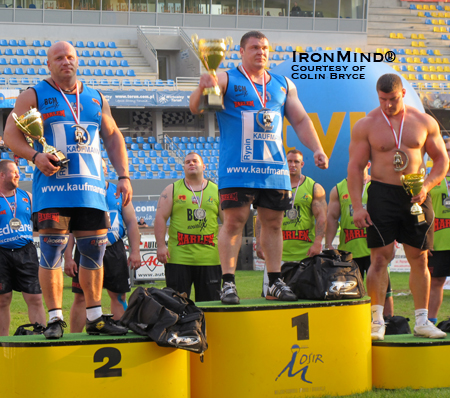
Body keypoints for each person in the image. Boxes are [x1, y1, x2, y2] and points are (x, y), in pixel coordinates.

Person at [189, 31, 328, 304]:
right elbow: (197, 108)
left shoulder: (283, 84)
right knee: (233, 222)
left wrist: (318, 148)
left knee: (274, 224)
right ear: (241, 51)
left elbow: (300, 121)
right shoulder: (227, 79)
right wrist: (202, 86)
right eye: (254, 47)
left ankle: (275, 281)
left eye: (264, 47)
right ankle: (228, 283)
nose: (260, 52)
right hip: (237, 168)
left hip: (274, 171)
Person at [4, 41, 131, 339]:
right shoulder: (33, 95)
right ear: (48, 64)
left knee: (94, 252)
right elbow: (10, 134)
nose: (66, 62)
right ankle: (55, 319)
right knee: (51, 252)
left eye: (71, 57)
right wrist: (35, 156)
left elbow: (113, 138)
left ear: (78, 61)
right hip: (53, 191)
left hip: (91, 191)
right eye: (59, 57)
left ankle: (96, 316)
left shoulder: (95, 97)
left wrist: (123, 175)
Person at [347, 73, 448, 340]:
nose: (388, 105)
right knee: (379, 259)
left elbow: (441, 160)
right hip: (382, 194)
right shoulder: (366, 125)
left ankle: (423, 321)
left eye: (392, 99)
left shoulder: (424, 121)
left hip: (417, 194)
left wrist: (426, 186)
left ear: (403, 93)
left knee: (420, 258)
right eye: (382, 100)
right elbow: (355, 169)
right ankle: (377, 321)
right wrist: (358, 206)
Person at [64, 160, 141, 332]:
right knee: (81, 297)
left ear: (105, 169)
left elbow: (131, 222)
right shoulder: (80, 192)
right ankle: (74, 339)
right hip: (86, 248)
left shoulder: (118, 191)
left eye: (101, 166)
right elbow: (69, 229)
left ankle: (120, 333)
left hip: (114, 249)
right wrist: (68, 257)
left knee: (119, 295)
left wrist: (135, 251)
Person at [326, 162, 394, 316]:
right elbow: (331, 218)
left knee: (384, 292)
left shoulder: (378, 185)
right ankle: (353, 325)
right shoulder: (338, 188)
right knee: (350, 294)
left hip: (376, 249)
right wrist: (328, 243)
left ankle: (389, 325)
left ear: (369, 164)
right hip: (350, 252)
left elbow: (390, 216)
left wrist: (392, 243)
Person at [256, 149, 327, 296]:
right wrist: (258, 241)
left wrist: (317, 242)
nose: (292, 164)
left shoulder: (314, 187)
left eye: (296, 161)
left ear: (302, 164)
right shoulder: (273, 187)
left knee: (305, 296)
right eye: (289, 161)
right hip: (277, 256)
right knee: (271, 296)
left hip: (305, 254)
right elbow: (261, 219)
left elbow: (321, 217)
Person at [155, 152, 222, 302]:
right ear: (183, 167)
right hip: (178, 258)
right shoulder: (171, 190)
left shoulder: (216, 191)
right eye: (187, 162)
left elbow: (228, 223)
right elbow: (160, 218)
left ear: (204, 166)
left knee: (210, 305)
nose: (191, 164)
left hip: (209, 259)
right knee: (176, 306)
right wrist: (160, 246)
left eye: (195, 161)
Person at [0, 160, 46, 335]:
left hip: (26, 252)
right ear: (2, 175)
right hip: (1, 254)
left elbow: (42, 223)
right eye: (14, 172)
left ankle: (39, 337)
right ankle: (3, 344)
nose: (19, 175)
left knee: (35, 298)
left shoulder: (27, 196)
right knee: (2, 300)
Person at [427, 138, 450, 325]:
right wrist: (424, 239)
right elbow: (419, 212)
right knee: (436, 283)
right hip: (438, 243)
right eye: (447, 150)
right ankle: (430, 323)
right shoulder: (431, 178)